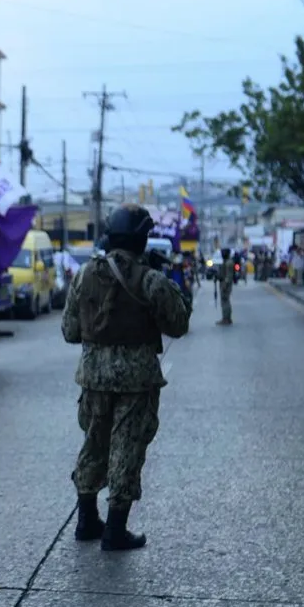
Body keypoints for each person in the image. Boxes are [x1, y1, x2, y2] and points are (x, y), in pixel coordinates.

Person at [62, 203, 191, 551]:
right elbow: (179, 325)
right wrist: (176, 287)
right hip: (136, 380)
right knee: (126, 449)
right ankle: (115, 529)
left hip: (92, 377)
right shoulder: (150, 280)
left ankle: (86, 520)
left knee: (93, 443)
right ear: (142, 240)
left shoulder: (84, 275)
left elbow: (70, 331)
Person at [217, 247, 235, 325]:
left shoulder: (228, 263)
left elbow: (228, 276)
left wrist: (225, 285)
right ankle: (227, 318)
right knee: (225, 301)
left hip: (226, 285)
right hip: (224, 283)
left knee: (225, 301)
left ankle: (226, 319)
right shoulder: (227, 261)